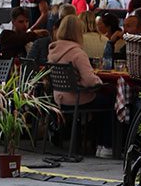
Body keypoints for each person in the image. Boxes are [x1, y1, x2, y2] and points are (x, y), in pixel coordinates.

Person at [48, 13, 116, 156]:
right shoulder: (77, 53)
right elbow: (90, 81)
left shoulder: (53, 50)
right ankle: (106, 145)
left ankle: (93, 143)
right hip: (77, 98)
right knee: (110, 101)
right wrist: (99, 81)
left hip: (59, 97)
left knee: (101, 101)